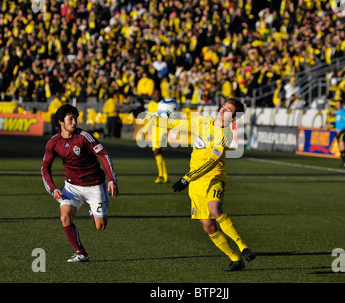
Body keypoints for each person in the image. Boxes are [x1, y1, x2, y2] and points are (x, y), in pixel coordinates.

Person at [137, 98, 256, 271]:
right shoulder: (202, 121)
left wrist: (187, 178)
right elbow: (173, 123)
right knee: (208, 225)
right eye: (223, 107)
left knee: (215, 210)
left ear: (234, 118)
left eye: (228, 111)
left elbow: (212, 162)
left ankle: (243, 246)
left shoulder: (226, 135)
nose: (223, 111)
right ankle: (236, 259)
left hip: (214, 177)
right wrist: (146, 116)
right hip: (196, 183)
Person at [41, 104, 119, 262]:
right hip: (72, 188)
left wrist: (111, 179)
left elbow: (104, 155)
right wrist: (53, 189)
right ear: (60, 122)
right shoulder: (53, 143)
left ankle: (93, 212)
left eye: (75, 119)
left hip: (95, 185)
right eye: (70, 119)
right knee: (65, 217)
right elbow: (44, 168)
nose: (74, 122)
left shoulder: (84, 137)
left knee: (100, 227)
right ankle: (82, 253)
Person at [141, 89, 170, 183]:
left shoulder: (163, 105)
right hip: (154, 131)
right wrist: (144, 130)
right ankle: (165, 176)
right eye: (155, 94)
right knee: (159, 153)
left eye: (158, 94)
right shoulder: (151, 105)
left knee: (157, 152)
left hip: (162, 130)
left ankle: (161, 175)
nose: (156, 95)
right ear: (153, 95)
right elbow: (150, 119)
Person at [331, 97, 345, 168]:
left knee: (342, 146)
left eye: (338, 104)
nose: (337, 105)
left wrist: (340, 129)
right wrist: (331, 123)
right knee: (340, 148)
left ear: (341, 105)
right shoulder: (338, 113)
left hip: (343, 131)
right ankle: (344, 162)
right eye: (336, 104)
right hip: (338, 131)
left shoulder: (343, 112)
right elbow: (338, 122)